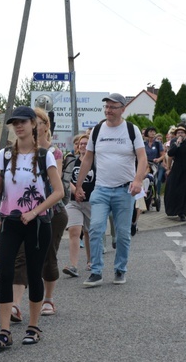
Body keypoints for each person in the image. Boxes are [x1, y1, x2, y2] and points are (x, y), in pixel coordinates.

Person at [0, 106, 64, 350]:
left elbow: (58, 192)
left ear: (33, 124)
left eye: (23, 122)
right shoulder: (5, 155)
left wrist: (35, 211)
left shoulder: (44, 155)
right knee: (5, 273)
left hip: (37, 223)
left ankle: (34, 327)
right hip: (10, 221)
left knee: (35, 272)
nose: (18, 126)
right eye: (14, 123)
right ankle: (4, 331)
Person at [75, 93, 148, 288]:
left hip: (125, 191)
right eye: (106, 107)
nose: (108, 110)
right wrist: (79, 184)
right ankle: (96, 271)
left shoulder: (132, 130)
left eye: (113, 107)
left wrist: (138, 180)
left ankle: (120, 269)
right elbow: (88, 159)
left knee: (123, 234)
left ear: (123, 109)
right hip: (101, 189)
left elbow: (142, 158)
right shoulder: (98, 131)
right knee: (96, 228)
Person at [9, 108, 68, 318]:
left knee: (47, 257)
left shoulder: (53, 153)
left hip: (51, 213)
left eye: (36, 121)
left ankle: (48, 299)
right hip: (23, 212)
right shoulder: (16, 151)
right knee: (20, 257)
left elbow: (55, 183)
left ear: (43, 126)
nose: (25, 125)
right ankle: (15, 304)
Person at [63, 133, 94, 278]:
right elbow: (65, 179)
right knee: (75, 231)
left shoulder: (96, 161)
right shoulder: (71, 161)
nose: (82, 146)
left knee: (89, 232)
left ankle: (91, 260)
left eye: (86, 143)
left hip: (91, 202)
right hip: (73, 201)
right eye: (81, 143)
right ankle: (74, 265)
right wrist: (76, 191)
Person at [143, 127, 166, 198]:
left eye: (154, 131)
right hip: (145, 163)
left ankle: (154, 195)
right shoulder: (143, 143)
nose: (153, 133)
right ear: (147, 133)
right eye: (151, 131)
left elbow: (163, 155)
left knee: (155, 179)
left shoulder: (157, 143)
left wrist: (158, 159)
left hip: (154, 164)